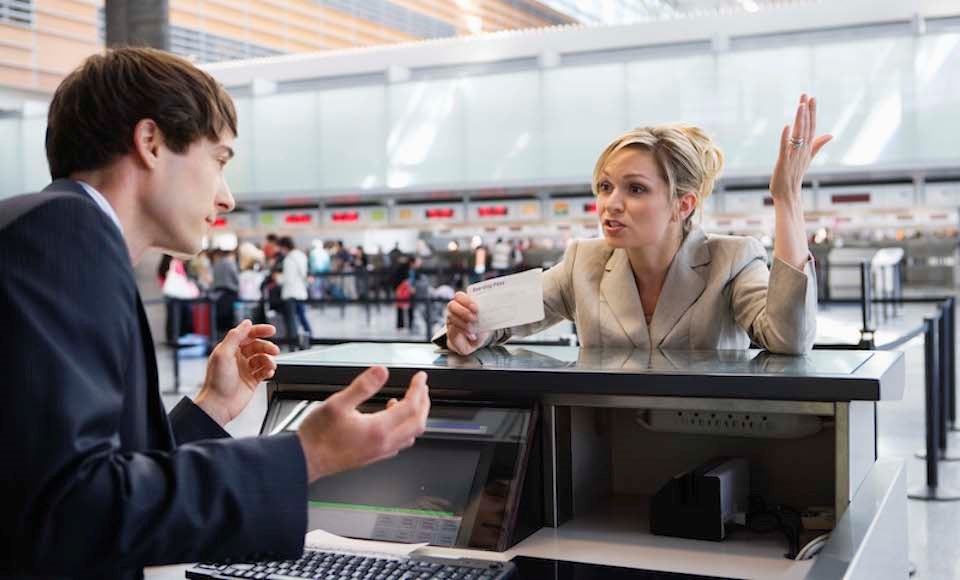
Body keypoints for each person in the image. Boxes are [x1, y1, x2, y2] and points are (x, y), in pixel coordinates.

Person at [0, 47, 430, 579]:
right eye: (220, 160)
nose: (226, 197)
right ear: (151, 142)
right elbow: (69, 512)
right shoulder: (64, 241)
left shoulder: (62, 233)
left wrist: (212, 408)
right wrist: (307, 456)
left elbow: (81, 477)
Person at [441, 94, 828, 356]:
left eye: (636, 189)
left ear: (682, 204)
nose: (611, 203)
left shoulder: (733, 259)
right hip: (599, 447)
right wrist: (470, 329)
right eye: (605, 187)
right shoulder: (583, 262)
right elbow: (490, 320)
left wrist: (787, 198)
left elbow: (788, 339)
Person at [279, 236, 313, 341]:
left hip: (290, 293)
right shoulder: (301, 255)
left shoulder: (289, 259)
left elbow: (288, 279)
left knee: (292, 320)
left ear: (284, 247)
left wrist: (278, 279)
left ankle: (293, 342)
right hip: (300, 292)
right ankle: (310, 337)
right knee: (302, 317)